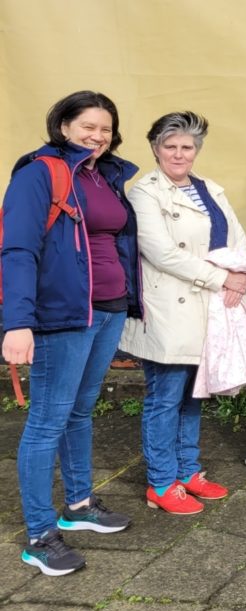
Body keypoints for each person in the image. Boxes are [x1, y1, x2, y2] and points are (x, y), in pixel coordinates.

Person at [4, 91, 138, 575]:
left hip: (107, 309)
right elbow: (17, 248)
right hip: (61, 316)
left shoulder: (104, 174)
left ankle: (78, 506)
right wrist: (17, 321)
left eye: (105, 128)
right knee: (47, 421)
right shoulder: (40, 173)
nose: (97, 135)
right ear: (63, 126)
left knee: (80, 412)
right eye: (88, 126)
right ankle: (39, 535)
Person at [121, 111, 246, 515]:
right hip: (169, 308)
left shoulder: (210, 188)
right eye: (170, 146)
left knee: (194, 395)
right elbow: (161, 252)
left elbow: (238, 237)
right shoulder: (144, 192)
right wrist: (222, 279)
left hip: (209, 307)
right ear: (155, 148)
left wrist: (243, 273)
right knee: (165, 397)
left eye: (187, 146)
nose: (180, 154)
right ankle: (162, 482)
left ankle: (188, 472)